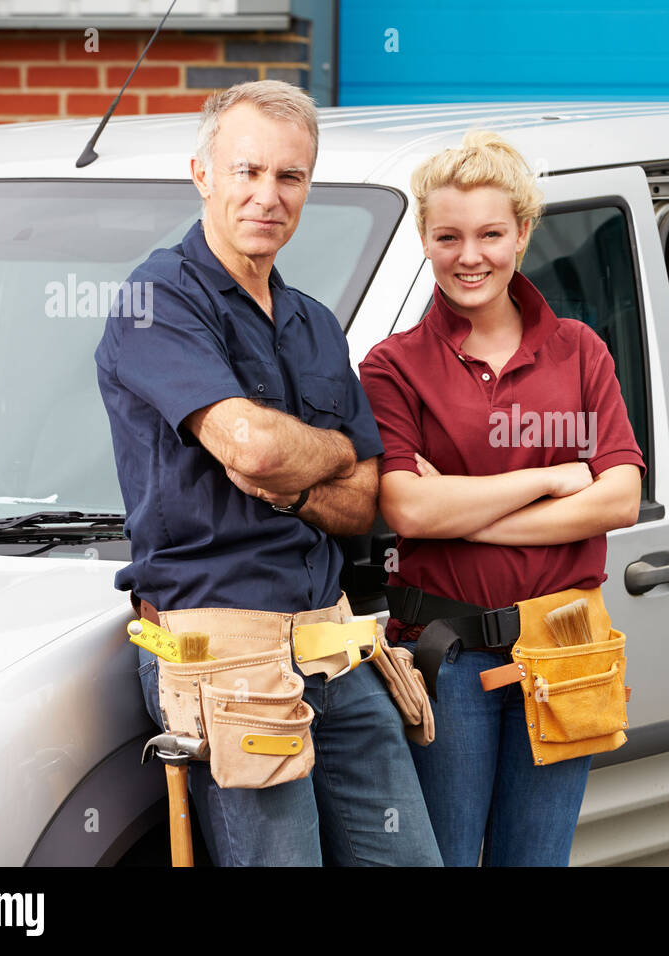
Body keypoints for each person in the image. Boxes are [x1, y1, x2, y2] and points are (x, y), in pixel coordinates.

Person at [94, 80, 441, 867]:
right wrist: (326, 450)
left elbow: (363, 500)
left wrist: (302, 467)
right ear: (202, 173)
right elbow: (251, 448)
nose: (267, 195)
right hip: (226, 656)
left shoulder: (313, 322)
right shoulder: (156, 300)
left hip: (334, 645)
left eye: (290, 177)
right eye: (247, 171)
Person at [359, 129, 644, 866]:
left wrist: (461, 509)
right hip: (446, 657)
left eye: (490, 233)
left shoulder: (581, 350)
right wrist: (547, 479)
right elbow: (408, 511)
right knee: (444, 859)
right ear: (424, 237)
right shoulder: (393, 367)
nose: (470, 255)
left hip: (565, 647)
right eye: (448, 235)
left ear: (521, 233)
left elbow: (618, 497)